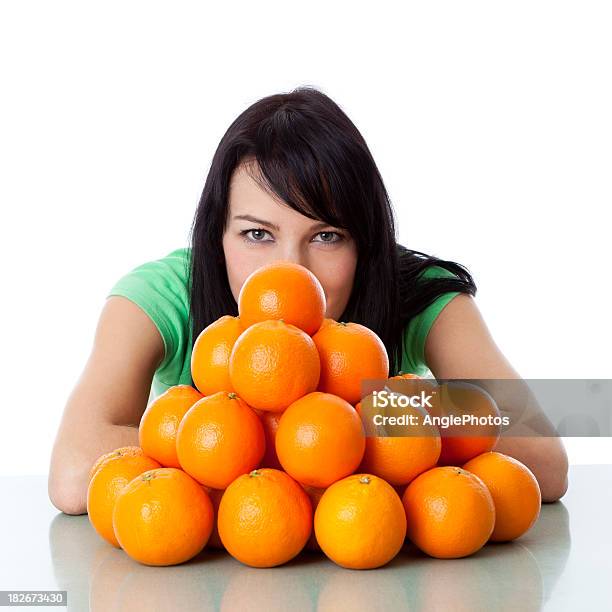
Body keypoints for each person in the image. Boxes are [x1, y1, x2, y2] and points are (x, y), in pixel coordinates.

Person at [48, 86, 568, 515]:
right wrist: (242, 441)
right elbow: (72, 475)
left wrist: (352, 426)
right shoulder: (158, 297)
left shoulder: (423, 295)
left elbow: (545, 462)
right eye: (256, 235)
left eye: (327, 236)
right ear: (216, 236)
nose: (291, 271)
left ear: (367, 242)